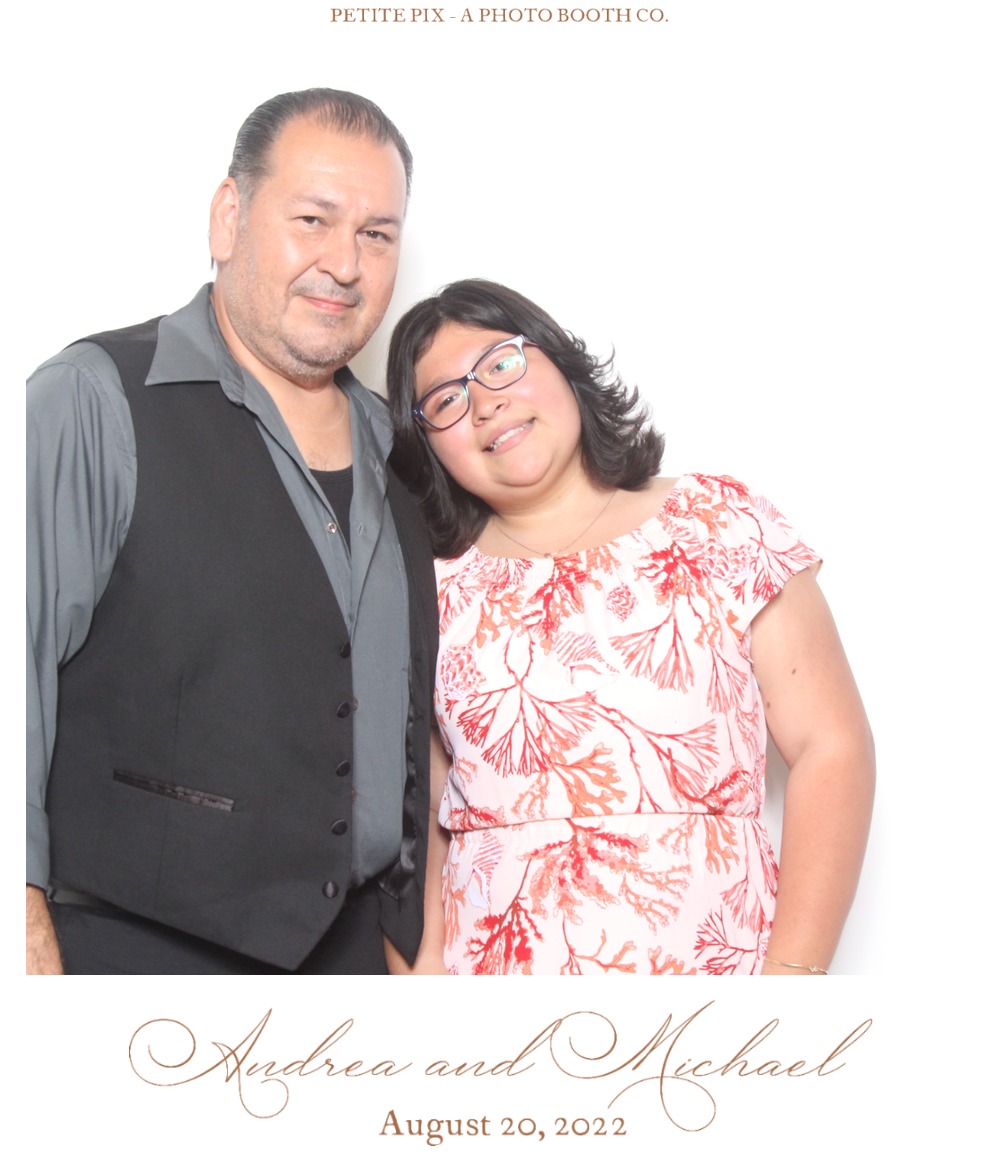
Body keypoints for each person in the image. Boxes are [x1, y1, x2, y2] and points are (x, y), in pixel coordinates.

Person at [26, 89, 438, 975]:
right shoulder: (92, 398)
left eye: (376, 234)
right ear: (228, 216)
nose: (344, 263)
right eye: (313, 219)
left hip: (358, 963)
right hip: (125, 957)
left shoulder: (398, 446)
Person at [383, 279, 874, 975]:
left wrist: (791, 982)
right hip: (491, 992)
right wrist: (422, 975)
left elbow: (832, 747)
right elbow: (423, 805)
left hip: (719, 982)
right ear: (429, 445)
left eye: (500, 363)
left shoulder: (720, 522)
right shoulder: (425, 585)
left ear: (560, 362)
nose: (484, 403)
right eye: (445, 401)